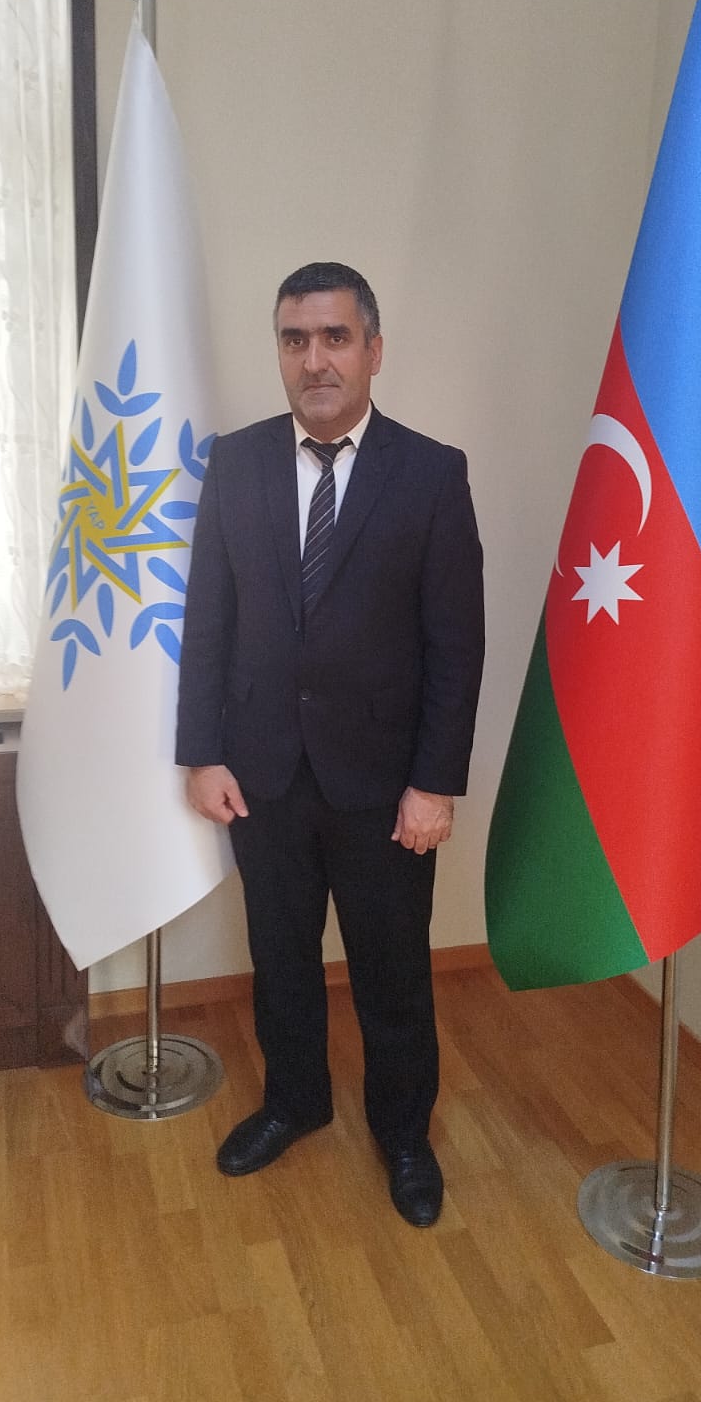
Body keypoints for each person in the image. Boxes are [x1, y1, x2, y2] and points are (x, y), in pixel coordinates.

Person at [176, 262, 484, 1226]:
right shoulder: (236, 464)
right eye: (295, 339)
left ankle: (404, 1134)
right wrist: (202, 752)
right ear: (280, 352)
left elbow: (456, 644)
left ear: (373, 351)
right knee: (280, 960)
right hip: (262, 774)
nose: (315, 360)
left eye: (335, 338)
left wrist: (434, 783)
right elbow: (209, 620)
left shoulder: (430, 474)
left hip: (383, 786)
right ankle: (295, 1103)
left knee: (393, 975)